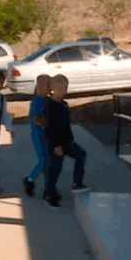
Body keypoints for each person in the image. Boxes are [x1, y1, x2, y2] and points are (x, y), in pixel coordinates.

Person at [39, 75, 90, 209]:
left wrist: (70, 139)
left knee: (81, 155)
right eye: (60, 88)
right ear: (52, 88)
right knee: (55, 169)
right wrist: (56, 145)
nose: (63, 91)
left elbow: (65, 125)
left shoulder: (64, 104)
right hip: (55, 144)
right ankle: (48, 194)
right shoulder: (49, 105)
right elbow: (50, 127)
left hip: (67, 141)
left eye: (65, 88)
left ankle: (77, 183)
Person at [24, 75, 52, 196]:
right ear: (41, 87)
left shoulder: (49, 100)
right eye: (48, 86)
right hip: (38, 135)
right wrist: (49, 123)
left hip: (48, 135)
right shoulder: (36, 100)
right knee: (44, 159)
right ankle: (30, 180)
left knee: (49, 161)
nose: (51, 89)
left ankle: (49, 186)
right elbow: (36, 119)